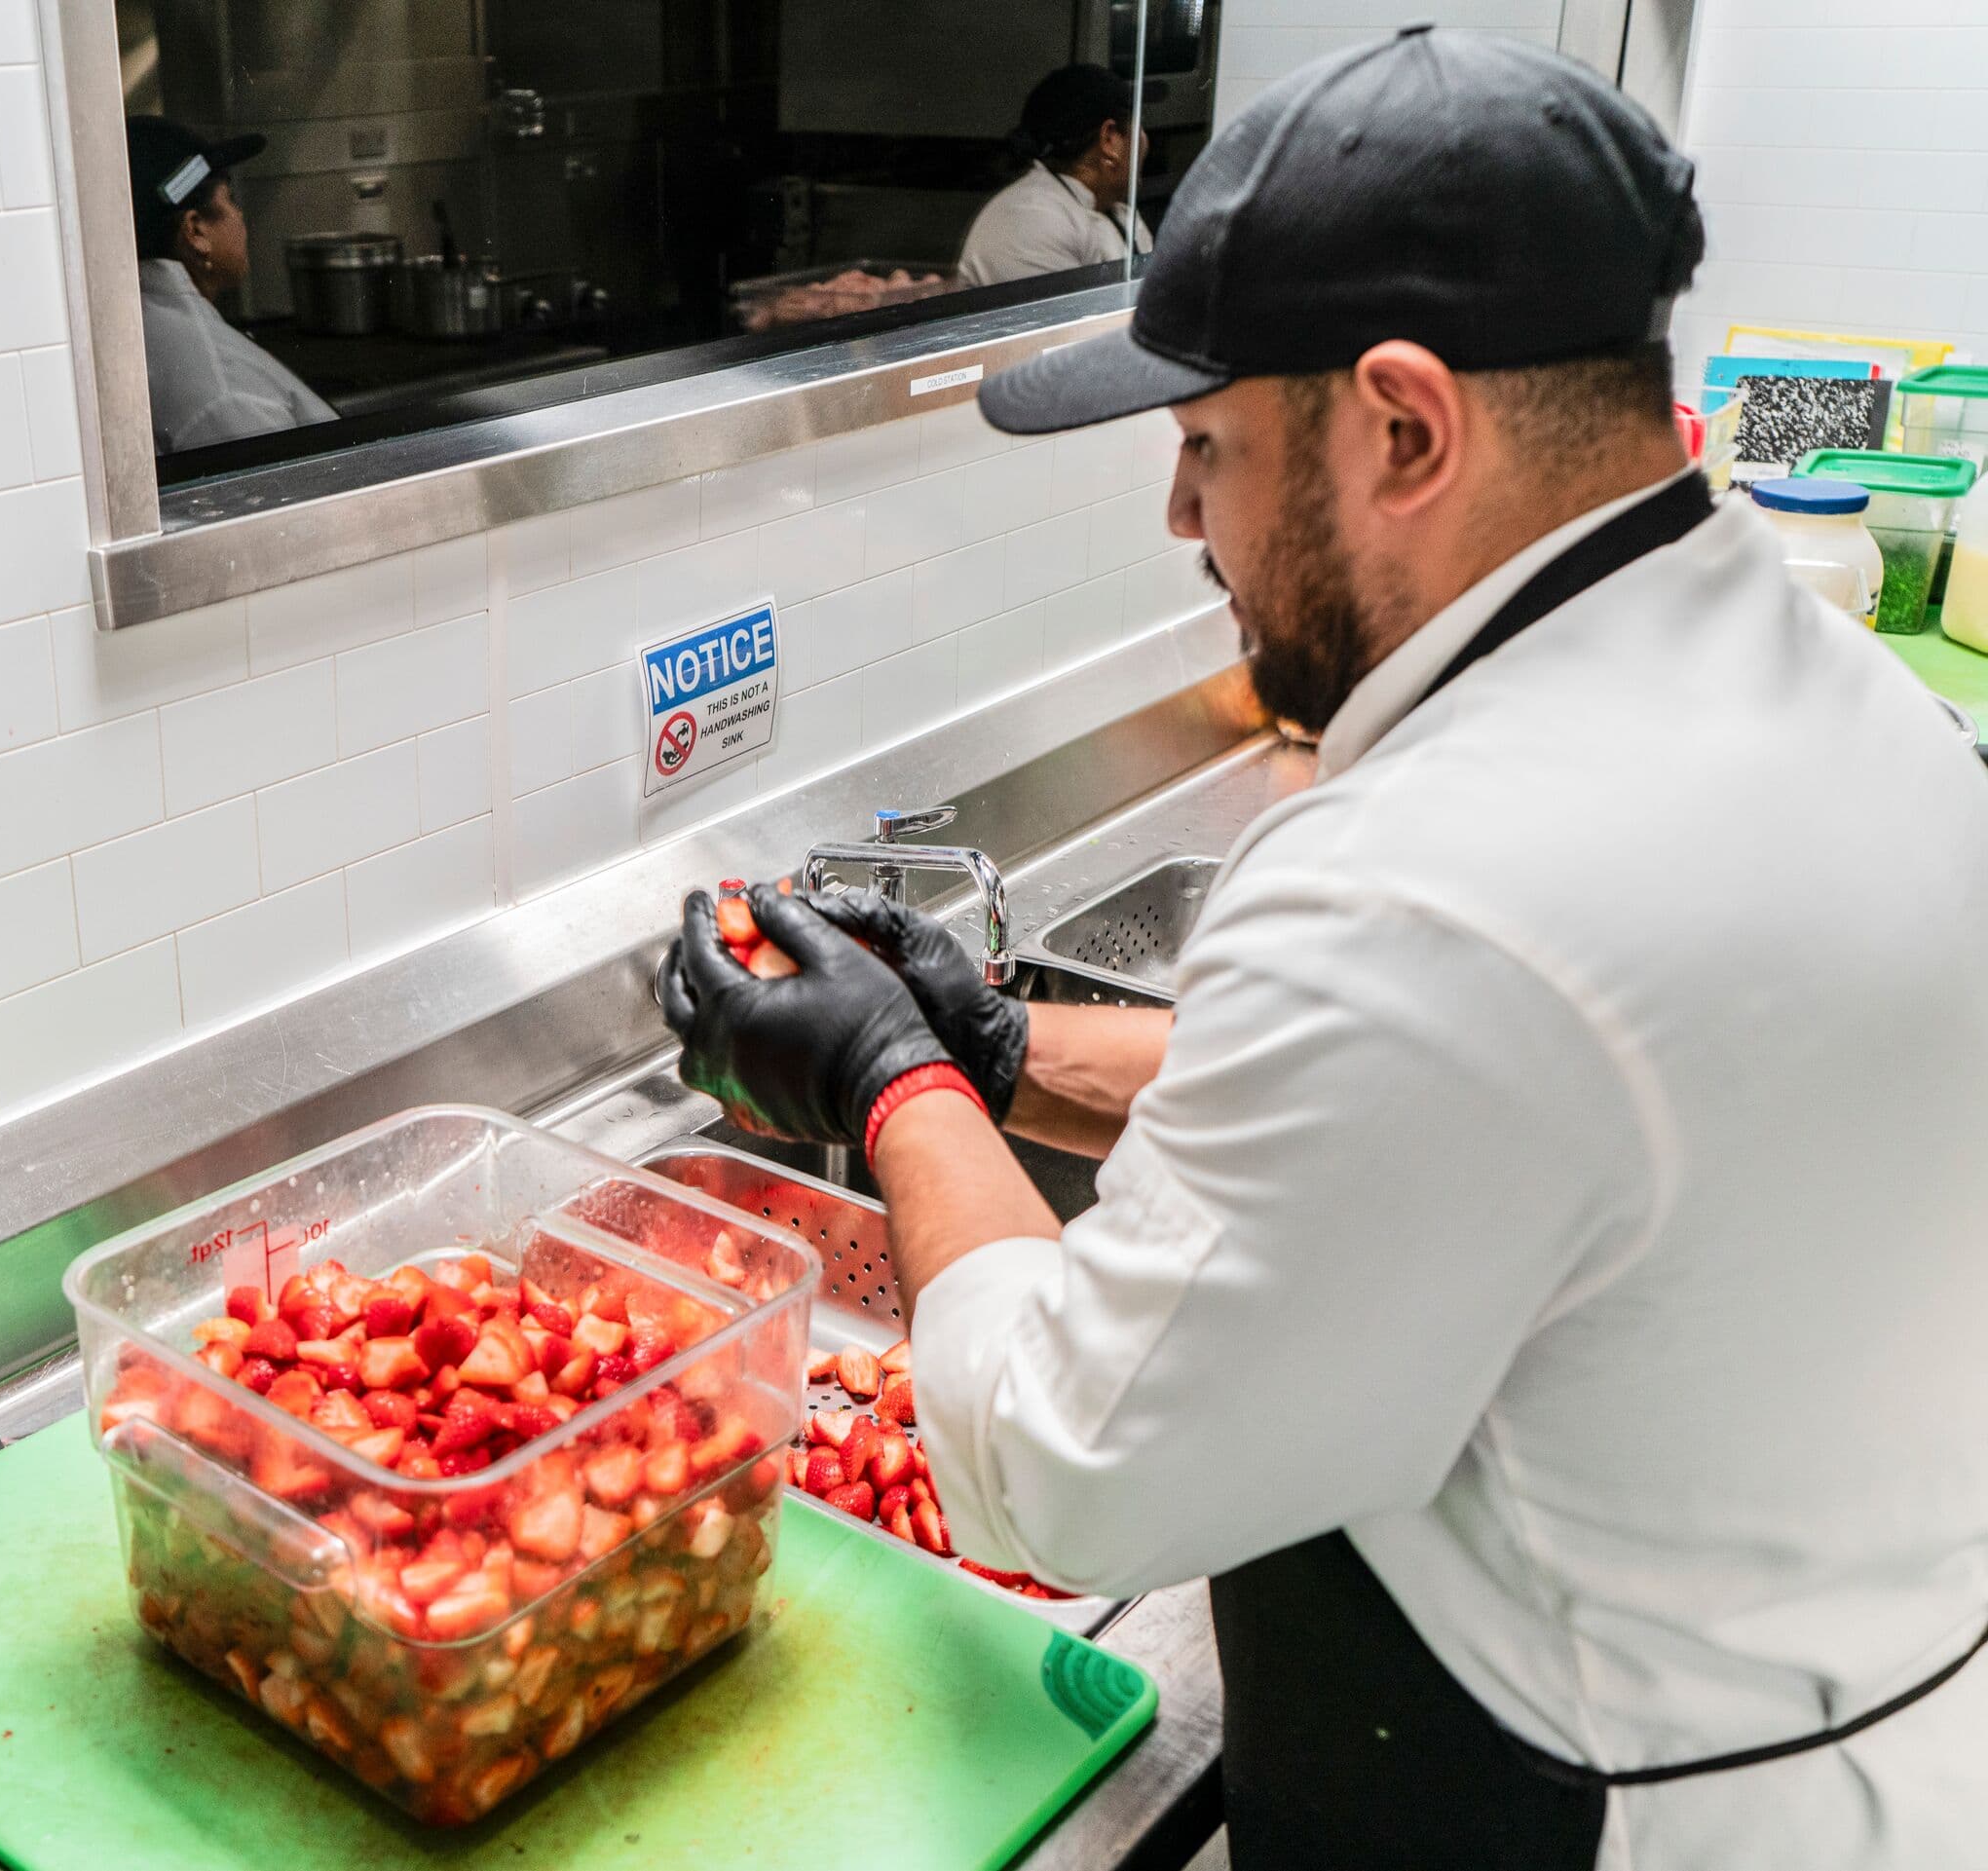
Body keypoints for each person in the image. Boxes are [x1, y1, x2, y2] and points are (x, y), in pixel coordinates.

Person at [663, 28, 1988, 1871]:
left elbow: (1060, 1465)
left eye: (1210, 446)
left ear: (1405, 425)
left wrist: (888, 1086)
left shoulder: (1427, 886)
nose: (1184, 517)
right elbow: (1451, 1124)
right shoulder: (1818, 678)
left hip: (1587, 1815)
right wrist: (994, 1044)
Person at [127, 116, 334, 454]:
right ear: (196, 232)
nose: (241, 217)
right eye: (230, 200)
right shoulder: (229, 391)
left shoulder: (146, 324)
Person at [955, 64, 1153, 288]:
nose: (1145, 140)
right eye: (1140, 125)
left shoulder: (1118, 214)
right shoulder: (1032, 219)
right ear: (1110, 139)